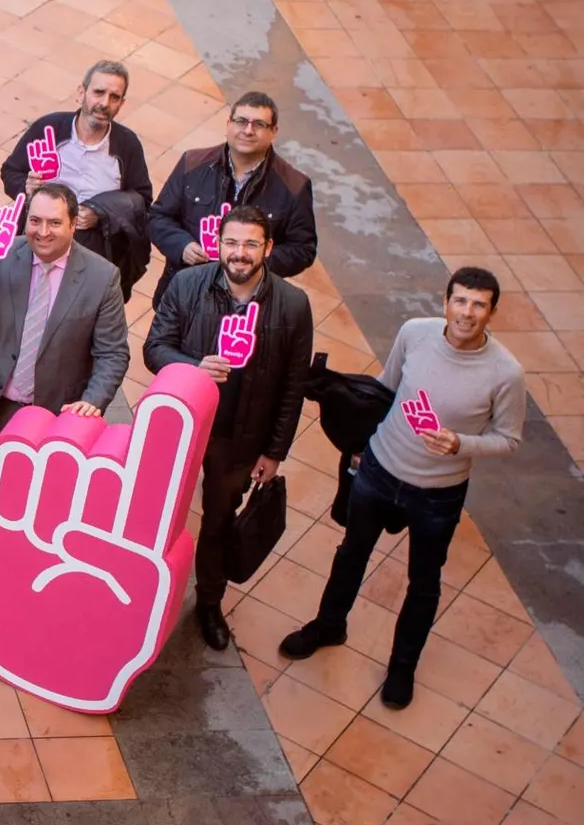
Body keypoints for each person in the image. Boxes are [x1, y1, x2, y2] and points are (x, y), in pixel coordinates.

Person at [279, 267, 526, 710]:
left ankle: (402, 667)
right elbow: (386, 391)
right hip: (379, 470)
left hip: (438, 494)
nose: (466, 312)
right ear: (445, 302)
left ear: (491, 312)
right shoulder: (415, 333)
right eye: (460, 301)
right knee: (351, 553)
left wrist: (460, 443)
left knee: (424, 583)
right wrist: (360, 446)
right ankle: (329, 625)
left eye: (478, 304)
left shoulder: (506, 373)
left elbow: (509, 439)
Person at [142, 205, 314, 651]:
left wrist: (274, 451)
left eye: (251, 244)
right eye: (232, 243)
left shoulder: (293, 305)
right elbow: (155, 348)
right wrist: (193, 366)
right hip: (186, 429)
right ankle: (144, 589)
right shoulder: (186, 284)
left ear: (268, 249)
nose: (239, 254)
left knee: (218, 521)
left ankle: (209, 602)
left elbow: (294, 387)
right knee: (160, 510)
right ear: (219, 244)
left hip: (241, 438)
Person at [0, 182, 130, 584]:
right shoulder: (4, 256)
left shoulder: (101, 278)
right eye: (35, 221)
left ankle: (27, 551)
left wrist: (93, 400)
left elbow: (113, 353)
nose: (43, 232)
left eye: (54, 223)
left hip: (53, 408)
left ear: (74, 224)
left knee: (43, 490)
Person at [0, 60, 153, 300]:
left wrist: (101, 212)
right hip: (38, 241)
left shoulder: (127, 145)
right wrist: (26, 188)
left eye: (114, 97)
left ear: (122, 104)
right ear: (82, 92)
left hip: (93, 252)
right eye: (98, 92)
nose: (104, 103)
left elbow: (142, 199)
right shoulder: (48, 128)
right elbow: (10, 171)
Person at [149, 91, 317, 302]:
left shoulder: (294, 186)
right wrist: (182, 245)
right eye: (241, 121)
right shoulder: (192, 163)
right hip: (185, 293)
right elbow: (158, 217)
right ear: (228, 124)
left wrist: (252, 261)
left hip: (247, 303)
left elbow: (302, 249)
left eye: (259, 124)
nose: (248, 130)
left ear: (274, 132)